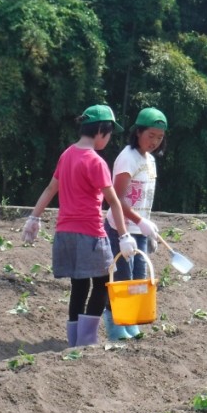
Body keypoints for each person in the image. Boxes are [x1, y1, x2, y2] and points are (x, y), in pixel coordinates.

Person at [21, 104, 137, 347]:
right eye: (109, 134)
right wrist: (124, 235)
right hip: (90, 234)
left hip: (65, 234)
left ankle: (74, 341)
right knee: (103, 283)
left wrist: (34, 217)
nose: (108, 139)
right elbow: (114, 201)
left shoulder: (67, 155)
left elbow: (50, 188)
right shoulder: (95, 162)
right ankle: (86, 341)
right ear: (101, 131)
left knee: (79, 286)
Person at [102, 107, 167, 340]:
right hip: (120, 229)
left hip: (139, 230)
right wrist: (137, 223)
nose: (155, 142)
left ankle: (130, 322)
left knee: (138, 278)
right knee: (122, 279)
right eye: (151, 135)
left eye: (159, 137)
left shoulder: (150, 160)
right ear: (138, 132)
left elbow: (143, 199)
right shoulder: (127, 158)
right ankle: (115, 326)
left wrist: (147, 227)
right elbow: (116, 199)